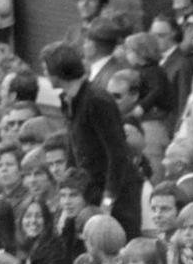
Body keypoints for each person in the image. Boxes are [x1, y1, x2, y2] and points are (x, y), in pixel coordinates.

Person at [41, 43, 142, 240]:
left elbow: (118, 152)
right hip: (89, 190)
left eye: (46, 69)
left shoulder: (97, 101)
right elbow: (74, 150)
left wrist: (108, 200)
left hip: (116, 195)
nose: (43, 74)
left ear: (57, 71)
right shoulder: (69, 101)